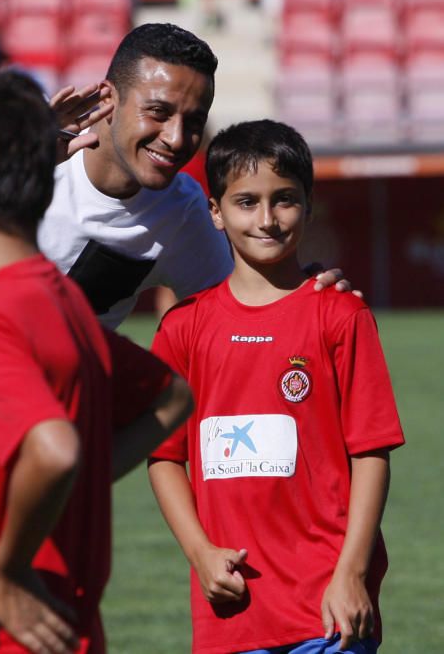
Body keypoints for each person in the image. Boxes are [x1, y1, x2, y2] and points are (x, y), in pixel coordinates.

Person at [147, 119, 405, 654]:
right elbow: (164, 455)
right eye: (246, 202)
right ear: (215, 211)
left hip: (327, 605)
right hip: (233, 606)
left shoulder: (340, 314)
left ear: (308, 207)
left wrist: (353, 573)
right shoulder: (183, 328)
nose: (266, 219)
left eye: (284, 200)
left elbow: (371, 451)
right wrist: (199, 552)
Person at [0, 70, 193, 654]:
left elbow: (53, 448)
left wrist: (6, 570)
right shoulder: (62, 300)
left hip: (11, 630)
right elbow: (172, 397)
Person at [41, 22, 356, 331]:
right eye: (158, 112)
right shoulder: (24, 147)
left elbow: (240, 322)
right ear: (108, 100)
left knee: (161, 379)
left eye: (194, 122)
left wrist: (310, 298)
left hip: (74, 378)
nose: (176, 138)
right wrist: (21, 170)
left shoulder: (183, 212)